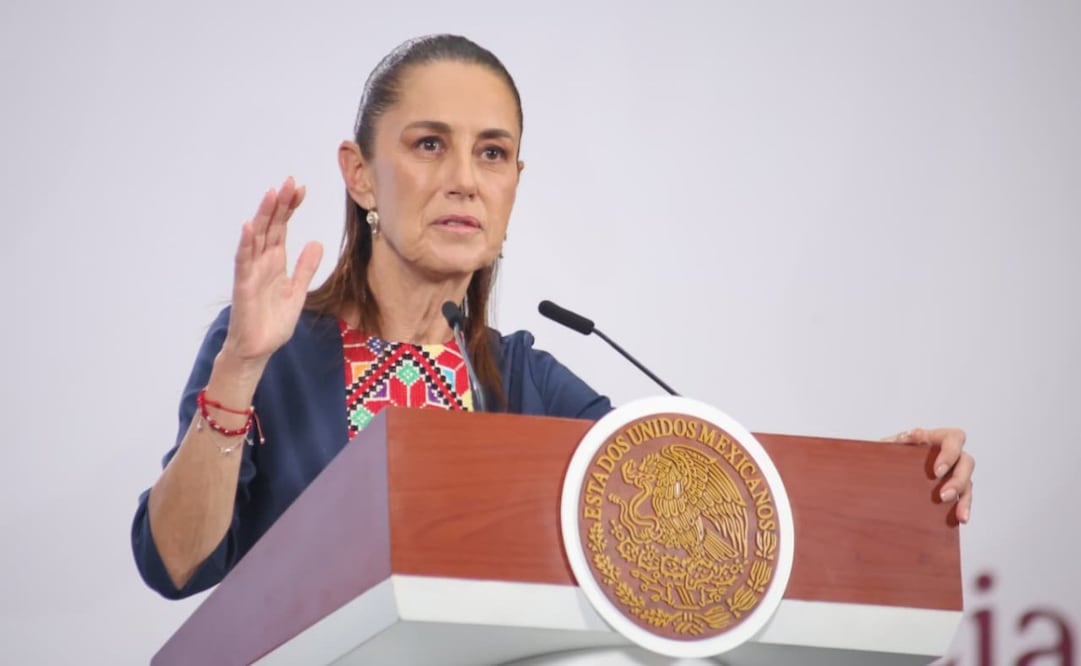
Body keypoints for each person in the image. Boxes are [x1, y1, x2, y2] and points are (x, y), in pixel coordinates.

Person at [130, 34, 975, 600]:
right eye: (430, 144)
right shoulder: (270, 351)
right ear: (360, 176)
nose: (464, 177)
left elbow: (686, 501)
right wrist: (239, 369)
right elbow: (176, 563)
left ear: (513, 185)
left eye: (491, 153)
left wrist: (884, 487)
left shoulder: (522, 377)